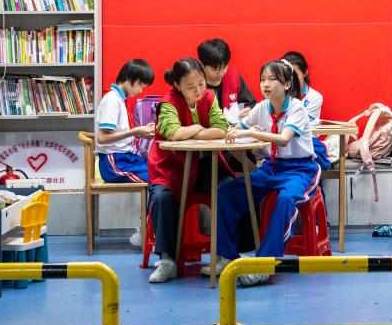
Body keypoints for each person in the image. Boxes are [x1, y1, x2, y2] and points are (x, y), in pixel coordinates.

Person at [211, 60, 319, 286]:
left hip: (300, 170)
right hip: (271, 167)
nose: (265, 85)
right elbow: (239, 128)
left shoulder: (296, 108)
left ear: (287, 84)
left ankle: (264, 265)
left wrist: (252, 133)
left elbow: (283, 139)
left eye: (272, 79)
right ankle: (226, 257)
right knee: (225, 194)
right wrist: (235, 128)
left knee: (286, 199)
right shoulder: (262, 107)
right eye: (262, 80)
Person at [145, 58, 230, 283]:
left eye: (201, 83)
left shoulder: (209, 97)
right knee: (161, 198)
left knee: (229, 190)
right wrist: (200, 127)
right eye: (190, 86)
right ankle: (167, 260)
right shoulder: (168, 102)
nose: (198, 90)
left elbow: (221, 128)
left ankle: (226, 255)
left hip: (202, 167)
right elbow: (173, 133)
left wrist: (192, 131)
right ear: (177, 85)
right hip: (169, 167)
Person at [94, 58, 156, 184]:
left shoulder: (120, 100)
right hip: (114, 162)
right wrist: (135, 131)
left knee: (159, 170)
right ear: (129, 77)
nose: (140, 90)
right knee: (156, 178)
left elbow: (119, 133)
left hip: (125, 158)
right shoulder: (112, 100)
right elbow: (102, 138)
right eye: (141, 85)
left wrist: (140, 133)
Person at [281, 51, 330, 172]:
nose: (291, 80)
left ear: (305, 72)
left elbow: (298, 126)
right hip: (282, 143)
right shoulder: (276, 94)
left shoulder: (314, 97)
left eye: (294, 75)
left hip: (306, 142)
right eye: (287, 75)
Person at [197, 38, 257, 114]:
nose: (221, 72)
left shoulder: (234, 78)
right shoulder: (194, 83)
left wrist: (248, 109)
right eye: (214, 69)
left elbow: (250, 104)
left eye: (224, 67)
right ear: (202, 65)